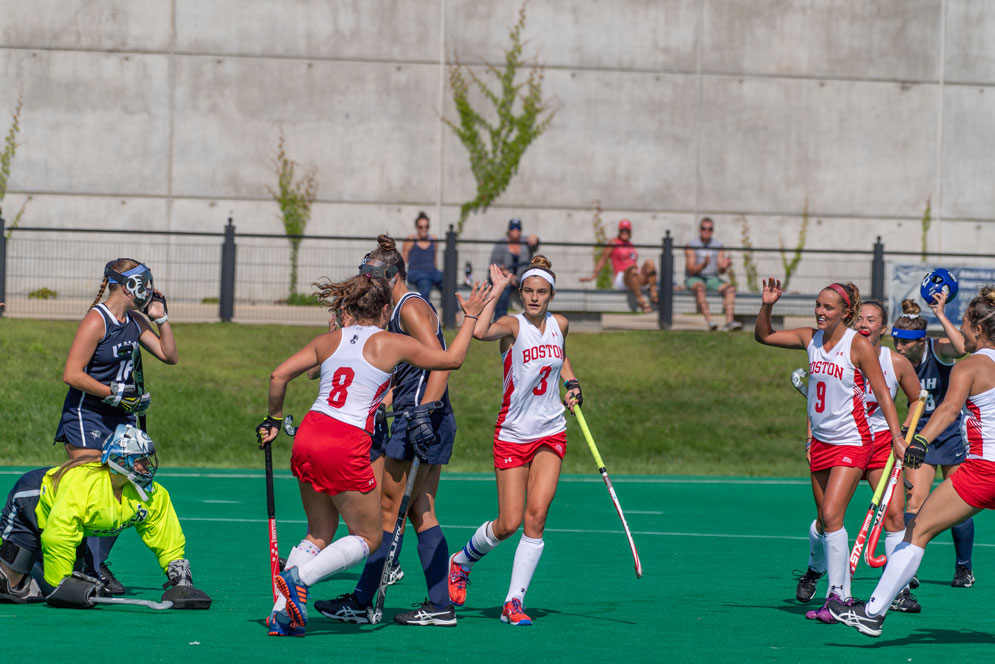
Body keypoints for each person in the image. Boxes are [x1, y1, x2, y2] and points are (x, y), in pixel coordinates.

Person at [256, 268, 491, 637]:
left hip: (309, 432)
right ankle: (299, 578)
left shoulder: (329, 340)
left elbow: (278, 376)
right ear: (384, 308)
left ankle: (281, 615)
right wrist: (472, 316)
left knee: (319, 532)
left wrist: (272, 419)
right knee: (369, 537)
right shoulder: (388, 342)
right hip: (345, 441)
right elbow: (452, 360)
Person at [829, 286, 995, 638]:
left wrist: (919, 440)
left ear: (979, 330)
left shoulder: (970, 366)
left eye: (964, 324)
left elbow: (948, 409)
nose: (961, 330)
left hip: (984, 471)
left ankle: (872, 613)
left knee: (917, 530)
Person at [313, 235, 462, 627]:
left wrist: (423, 412)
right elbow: (412, 368)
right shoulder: (393, 310)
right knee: (421, 513)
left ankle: (363, 601)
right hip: (424, 418)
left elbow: (441, 363)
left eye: (372, 276)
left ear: (392, 275)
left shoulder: (409, 307)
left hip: (421, 422)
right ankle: (440, 604)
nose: (367, 283)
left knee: (384, 512)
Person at [756, 279, 903, 622]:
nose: (820, 312)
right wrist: (767, 306)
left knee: (834, 515)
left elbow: (883, 394)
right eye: (818, 305)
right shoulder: (810, 338)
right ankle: (839, 594)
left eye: (829, 307)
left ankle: (839, 597)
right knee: (824, 519)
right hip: (821, 441)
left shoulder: (858, 345)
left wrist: (896, 436)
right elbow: (764, 336)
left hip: (852, 440)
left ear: (845, 312)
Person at [447, 256, 583, 626]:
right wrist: (499, 288)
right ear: (522, 293)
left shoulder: (561, 325)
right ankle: (461, 562)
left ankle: (513, 603)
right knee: (508, 523)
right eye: (528, 291)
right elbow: (479, 332)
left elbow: (562, 360)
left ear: (551, 294)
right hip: (513, 433)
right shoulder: (512, 325)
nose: (535, 298)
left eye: (541, 292)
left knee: (535, 517)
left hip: (551, 430)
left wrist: (572, 385)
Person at [55, 258, 176, 594]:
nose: (150, 288)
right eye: (145, 282)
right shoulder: (98, 320)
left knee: (124, 486)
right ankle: (82, 566)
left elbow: (169, 355)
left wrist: (162, 318)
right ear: (127, 285)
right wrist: (112, 393)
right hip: (88, 415)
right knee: (92, 490)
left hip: (121, 415)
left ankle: (93, 564)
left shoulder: (135, 319)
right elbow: (72, 374)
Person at [794, 300, 922, 614]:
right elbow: (819, 399)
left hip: (879, 446)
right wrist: (812, 437)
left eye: (873, 319)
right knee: (828, 518)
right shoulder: (840, 351)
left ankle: (899, 590)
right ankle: (816, 566)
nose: (865, 324)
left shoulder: (895, 362)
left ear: (883, 327)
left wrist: (903, 434)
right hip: (842, 443)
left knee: (894, 516)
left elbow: (917, 398)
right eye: (861, 318)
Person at [0, 424, 210, 609]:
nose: (147, 466)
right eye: (139, 460)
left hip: (75, 528)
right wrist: (60, 585)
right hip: (32, 501)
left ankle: (37, 567)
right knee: (8, 587)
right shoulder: (82, 484)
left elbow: (166, 535)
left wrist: (181, 581)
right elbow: (59, 534)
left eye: (147, 459)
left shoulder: (152, 494)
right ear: (119, 460)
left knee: (83, 588)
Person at [890, 294, 974, 587]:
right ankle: (907, 568)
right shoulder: (897, 361)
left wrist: (940, 314)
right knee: (914, 500)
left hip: (950, 434)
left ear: (921, 340)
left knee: (961, 502)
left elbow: (963, 348)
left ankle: (964, 567)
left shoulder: (938, 350)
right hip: (919, 437)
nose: (900, 347)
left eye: (906, 343)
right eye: (896, 341)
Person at [581, 218, 658, 313]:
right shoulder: (614, 243)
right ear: (619, 231)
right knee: (632, 269)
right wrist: (593, 276)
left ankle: (654, 294)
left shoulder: (630, 245)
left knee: (649, 262)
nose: (625, 232)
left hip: (635, 276)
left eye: (627, 230)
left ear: (630, 232)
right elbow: (603, 259)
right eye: (623, 230)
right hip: (622, 277)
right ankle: (641, 301)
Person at [685, 217, 741, 331]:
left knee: (730, 289)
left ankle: (729, 322)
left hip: (712, 279)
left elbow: (720, 270)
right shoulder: (691, 245)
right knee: (700, 288)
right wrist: (703, 265)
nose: (706, 231)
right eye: (704, 228)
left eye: (709, 229)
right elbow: (690, 269)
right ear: (699, 229)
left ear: (712, 230)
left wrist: (724, 266)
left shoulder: (718, 245)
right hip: (695, 278)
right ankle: (710, 322)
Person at [489, 218, 539, 319]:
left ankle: (532, 321)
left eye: (518, 228)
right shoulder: (501, 244)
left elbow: (535, 246)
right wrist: (507, 275)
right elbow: (494, 263)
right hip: (505, 278)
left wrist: (535, 239)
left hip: (522, 278)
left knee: (532, 292)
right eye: (512, 228)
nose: (515, 230)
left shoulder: (525, 242)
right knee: (502, 292)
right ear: (509, 230)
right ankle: (499, 321)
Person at [401, 212, 444, 300]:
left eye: (426, 226)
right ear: (417, 227)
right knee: (425, 283)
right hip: (416, 272)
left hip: (431, 271)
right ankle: (424, 312)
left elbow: (434, 259)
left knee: (447, 281)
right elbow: (403, 260)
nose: (424, 229)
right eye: (421, 227)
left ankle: (455, 312)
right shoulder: (411, 239)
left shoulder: (433, 239)